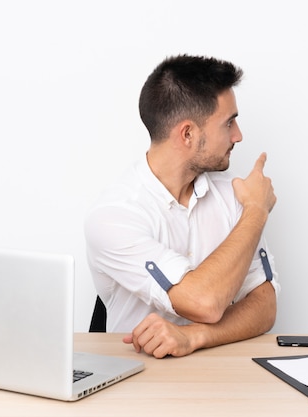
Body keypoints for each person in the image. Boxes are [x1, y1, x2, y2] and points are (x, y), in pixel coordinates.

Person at [84, 54, 280, 358]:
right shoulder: (114, 215)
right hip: (136, 382)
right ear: (187, 134)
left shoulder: (234, 195)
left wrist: (193, 336)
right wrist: (256, 211)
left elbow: (265, 305)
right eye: (229, 123)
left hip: (220, 378)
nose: (238, 136)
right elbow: (203, 302)